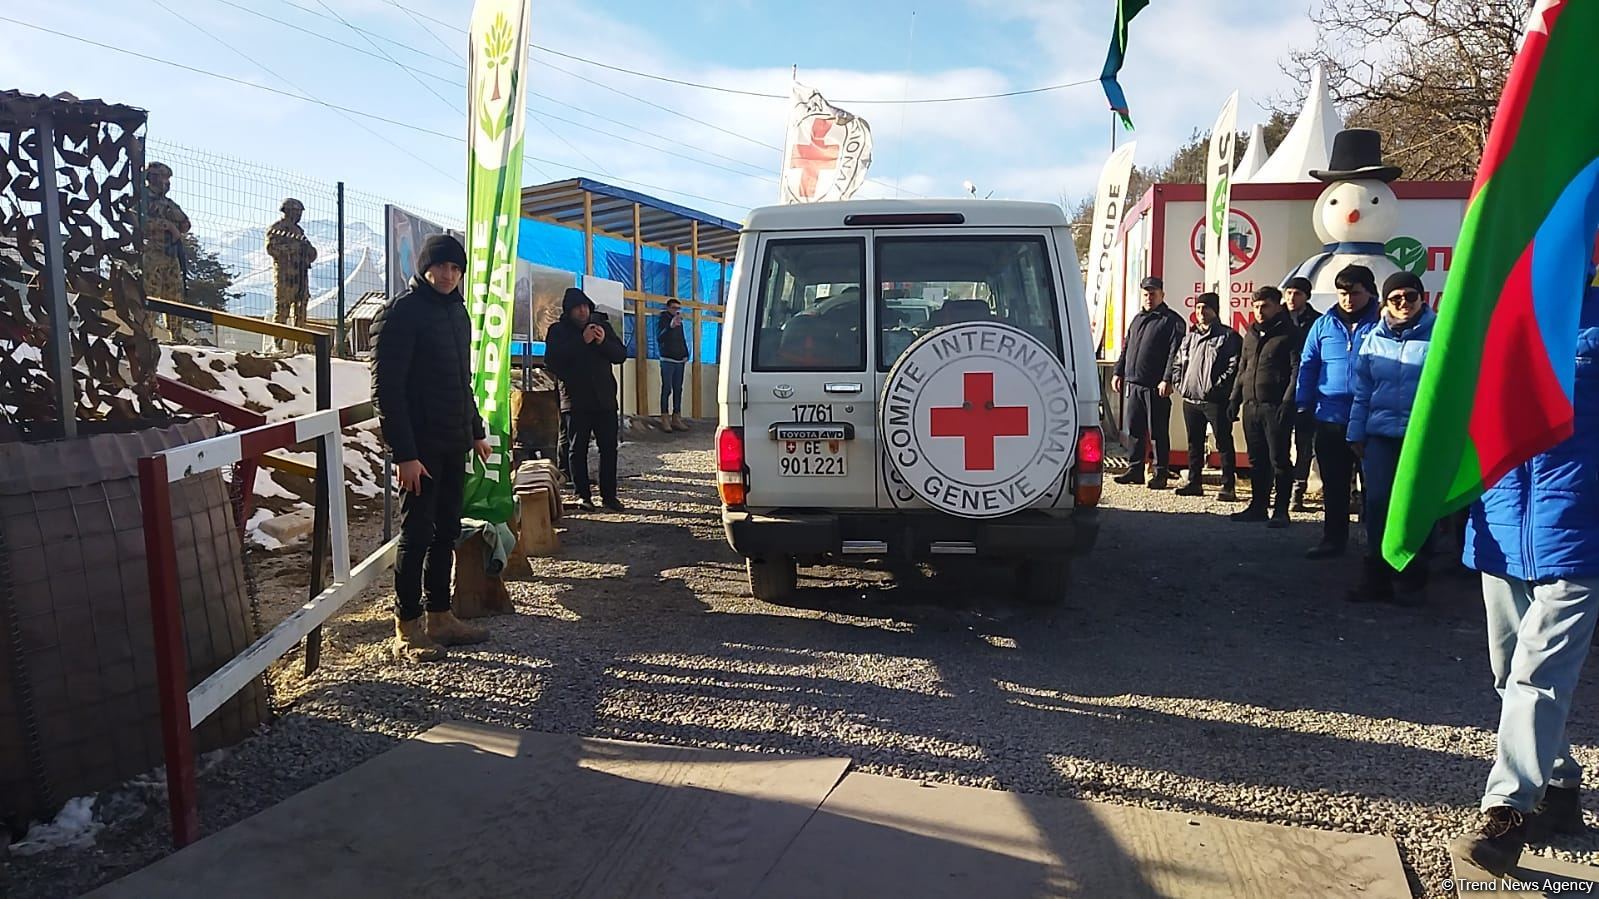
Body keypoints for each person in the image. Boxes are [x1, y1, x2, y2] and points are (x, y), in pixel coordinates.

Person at [1452, 284, 1599, 877]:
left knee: (1536, 674)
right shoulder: (1493, 313)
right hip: (1502, 526)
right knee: (1505, 670)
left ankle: (1506, 812)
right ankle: (1561, 787)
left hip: (1579, 530)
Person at [370, 234, 492, 663]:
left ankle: (441, 615)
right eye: (441, 267)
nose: (448, 275)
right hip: (418, 449)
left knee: (447, 532)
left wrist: (475, 430)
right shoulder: (401, 312)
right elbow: (387, 390)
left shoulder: (457, 314)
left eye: (456, 269)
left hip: (453, 442)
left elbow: (462, 382)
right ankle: (407, 626)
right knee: (417, 534)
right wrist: (404, 453)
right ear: (425, 268)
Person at [1345, 272, 1434, 604]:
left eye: (1410, 297)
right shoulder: (1373, 339)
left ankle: (1415, 572)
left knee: (1417, 505)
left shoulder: (1440, 335)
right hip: (1380, 435)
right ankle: (1377, 577)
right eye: (1395, 299)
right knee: (1378, 503)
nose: (1403, 305)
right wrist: (1355, 432)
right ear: (1385, 302)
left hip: (1421, 437)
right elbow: (1362, 391)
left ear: (1422, 298)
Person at [1296, 264, 1382, 559]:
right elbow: (1308, 365)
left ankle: (1376, 545)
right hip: (1330, 416)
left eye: (1354, 293)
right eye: (1342, 293)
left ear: (1369, 292)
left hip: (1371, 418)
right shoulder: (1324, 324)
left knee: (1375, 486)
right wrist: (1302, 404)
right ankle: (1333, 539)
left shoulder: (1382, 322)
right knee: (1334, 483)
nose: (1347, 299)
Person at [545, 287, 628, 511]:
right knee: (577, 448)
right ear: (568, 311)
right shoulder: (558, 331)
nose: (582, 312)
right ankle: (583, 495)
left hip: (604, 400)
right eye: (577, 308)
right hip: (576, 401)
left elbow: (620, 355)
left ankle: (609, 496)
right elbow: (553, 361)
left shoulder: (602, 326)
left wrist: (603, 342)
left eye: (585, 307)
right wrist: (582, 341)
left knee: (609, 448)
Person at [1228, 286, 1301, 526]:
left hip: (1275, 406)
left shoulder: (1290, 334)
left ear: (1278, 306)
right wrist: (1234, 400)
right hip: (1251, 406)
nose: (1260, 311)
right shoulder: (1250, 334)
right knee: (1256, 460)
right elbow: (1242, 369)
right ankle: (1258, 506)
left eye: (1265, 306)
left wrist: (1288, 402)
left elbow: (1296, 371)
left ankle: (1281, 510)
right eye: (1256, 306)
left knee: (1278, 459)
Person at [1112, 276, 1187, 489]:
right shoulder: (1137, 319)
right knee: (1135, 429)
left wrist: (1167, 379)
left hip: (1156, 387)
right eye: (1145, 293)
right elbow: (1127, 348)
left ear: (1162, 295)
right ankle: (1135, 469)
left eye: (1153, 293)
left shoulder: (1172, 321)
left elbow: (1176, 353)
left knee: (1158, 432)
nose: (1149, 297)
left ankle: (1160, 473)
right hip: (1134, 384)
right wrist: (1118, 372)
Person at [1169, 292, 1241, 500]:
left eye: (1205, 308)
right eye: (1198, 308)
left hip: (1215, 401)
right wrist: (1180, 384)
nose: (1201, 312)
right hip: (1191, 399)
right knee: (1194, 442)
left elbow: (1233, 366)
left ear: (1214, 310)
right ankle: (1194, 481)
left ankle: (1228, 486)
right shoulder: (1190, 337)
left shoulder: (1228, 336)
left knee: (1223, 443)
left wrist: (1216, 389)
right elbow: (1178, 362)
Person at [1284, 275, 1322, 511]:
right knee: (1278, 445)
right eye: (1288, 292)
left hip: (1308, 391)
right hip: (1280, 391)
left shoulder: (1317, 322)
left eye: (1296, 293)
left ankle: (1298, 491)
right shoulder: (1277, 319)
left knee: (1305, 444)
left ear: (1306, 296)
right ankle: (1280, 487)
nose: (1291, 298)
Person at [657, 298, 691, 432]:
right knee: (667, 389)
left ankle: (676, 417)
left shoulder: (679, 322)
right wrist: (670, 327)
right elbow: (659, 337)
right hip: (667, 359)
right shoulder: (663, 319)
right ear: (668, 308)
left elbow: (682, 338)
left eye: (679, 308)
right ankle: (664, 418)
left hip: (679, 360)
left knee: (678, 389)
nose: (677, 311)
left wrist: (686, 353)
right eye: (674, 308)